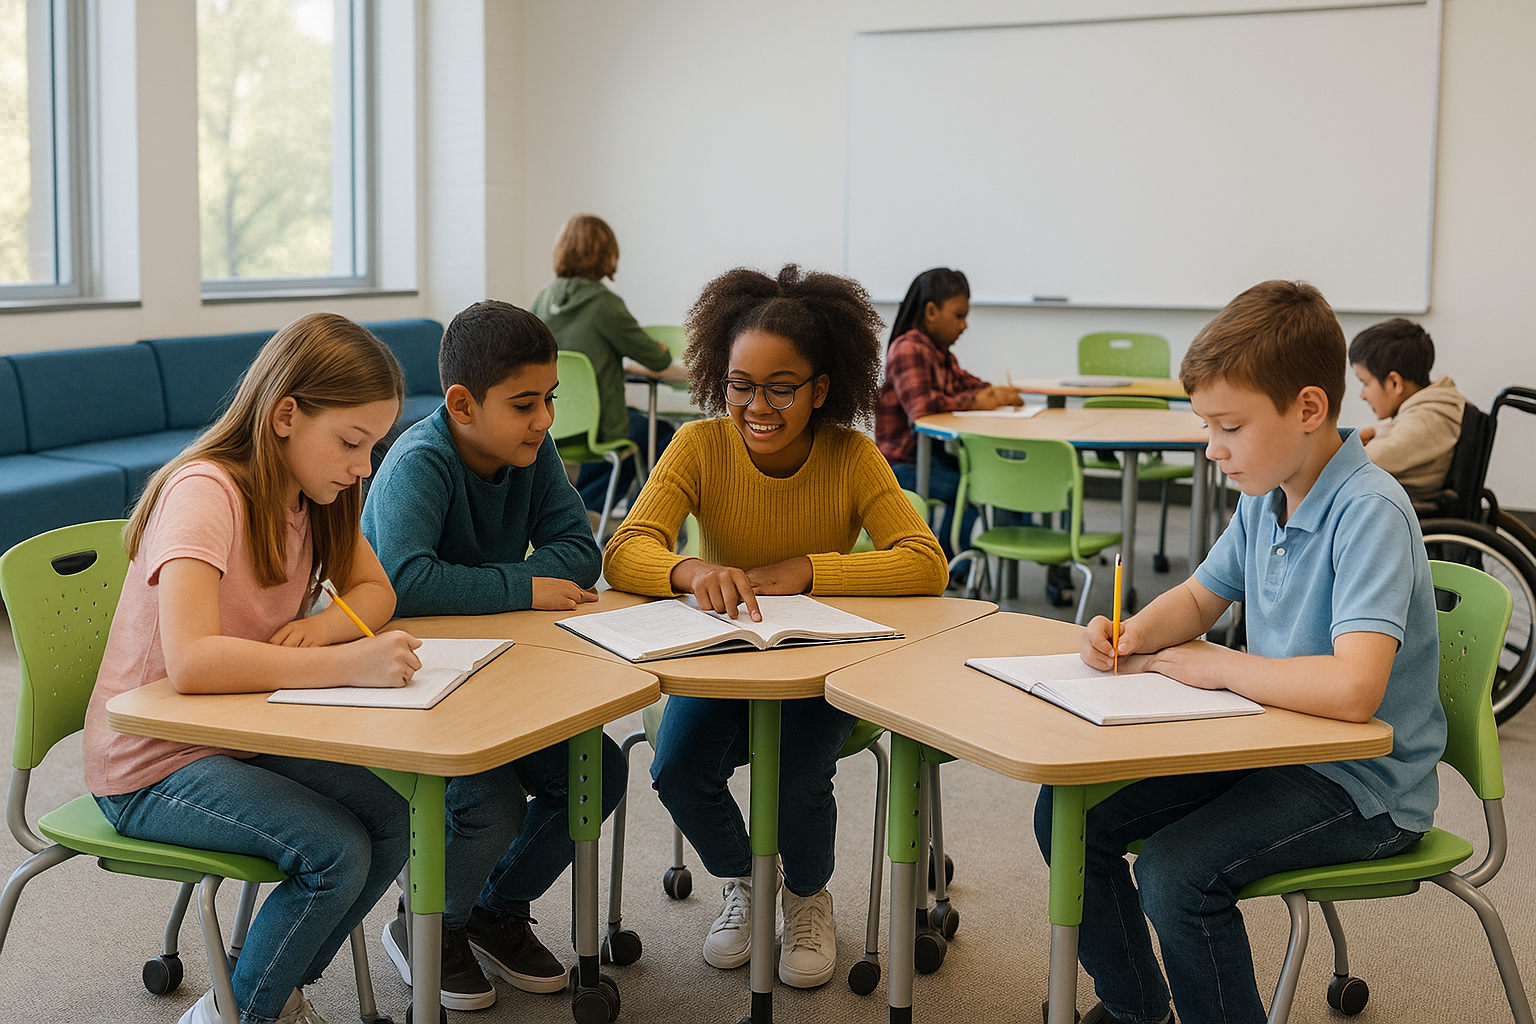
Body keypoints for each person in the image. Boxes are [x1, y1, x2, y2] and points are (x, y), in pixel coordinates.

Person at [1033, 281, 1445, 1024]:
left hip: (1364, 785)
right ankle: (1134, 1006)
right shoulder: (1266, 496)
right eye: (1207, 425)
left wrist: (1219, 666)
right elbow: (1200, 597)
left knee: (1175, 873)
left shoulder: (1369, 513)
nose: (1212, 448)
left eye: (1229, 426)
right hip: (1271, 742)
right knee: (1066, 815)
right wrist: (1129, 631)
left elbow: (1355, 691)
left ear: (1309, 410)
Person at [604, 264, 949, 989]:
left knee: (798, 774)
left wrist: (813, 569)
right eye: (740, 385)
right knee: (676, 769)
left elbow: (926, 562)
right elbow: (624, 549)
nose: (757, 406)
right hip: (723, 659)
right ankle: (747, 882)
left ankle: (806, 895)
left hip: (820, 666)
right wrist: (691, 572)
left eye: (780, 387)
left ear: (820, 389)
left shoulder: (852, 456)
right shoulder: (698, 446)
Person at [83, 313, 419, 1024]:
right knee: (333, 852)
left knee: (394, 817)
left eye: (373, 446)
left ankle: (270, 989)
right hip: (152, 762)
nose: (364, 466)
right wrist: (346, 662)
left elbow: (377, 590)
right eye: (353, 443)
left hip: (238, 731)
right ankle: (240, 1012)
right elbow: (193, 662)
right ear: (286, 416)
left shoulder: (319, 491)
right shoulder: (206, 491)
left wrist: (320, 629)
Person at [360, 299, 626, 1010]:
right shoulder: (422, 462)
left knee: (598, 769)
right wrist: (522, 585)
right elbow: (405, 583)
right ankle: (428, 924)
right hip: (409, 685)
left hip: (498, 671)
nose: (544, 418)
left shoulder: (527, 454)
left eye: (549, 401)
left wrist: (528, 586)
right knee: (491, 797)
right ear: (462, 403)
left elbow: (581, 552)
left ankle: (492, 908)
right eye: (525, 403)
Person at [531, 213, 676, 513]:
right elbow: (657, 359)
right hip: (601, 431)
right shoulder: (604, 305)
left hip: (550, 423)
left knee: (630, 425)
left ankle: (584, 512)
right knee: (662, 433)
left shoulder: (543, 300)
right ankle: (642, 521)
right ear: (607, 254)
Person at [875, 267, 1022, 560]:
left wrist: (993, 393)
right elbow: (922, 409)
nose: (965, 325)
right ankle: (951, 563)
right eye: (958, 315)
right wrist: (980, 401)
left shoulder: (940, 354)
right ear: (931, 311)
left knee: (991, 478)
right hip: (902, 464)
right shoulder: (907, 349)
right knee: (978, 486)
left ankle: (954, 561)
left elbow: (970, 385)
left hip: (931, 458)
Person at [1348, 317, 1469, 501]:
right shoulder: (1433, 408)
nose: (1362, 395)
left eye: (1365, 383)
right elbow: (1400, 430)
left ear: (1395, 383)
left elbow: (1364, 460)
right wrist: (1375, 431)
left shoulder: (1426, 420)